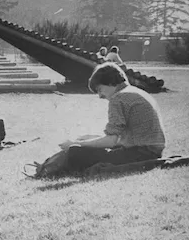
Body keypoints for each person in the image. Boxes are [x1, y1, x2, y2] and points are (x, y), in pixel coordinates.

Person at [31, 62, 166, 178]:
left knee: (75, 151)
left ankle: (46, 169)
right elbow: (119, 136)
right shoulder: (135, 92)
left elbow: (111, 141)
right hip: (150, 150)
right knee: (83, 141)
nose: (100, 96)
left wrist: (77, 144)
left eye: (100, 90)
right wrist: (84, 140)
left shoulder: (118, 98)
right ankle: (47, 165)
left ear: (111, 82)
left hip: (141, 153)